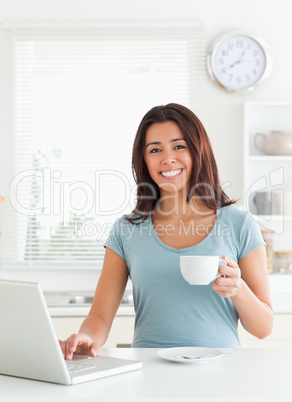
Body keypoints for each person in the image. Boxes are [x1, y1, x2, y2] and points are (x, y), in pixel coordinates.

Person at [59, 103, 273, 360]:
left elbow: (263, 328)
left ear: (198, 150)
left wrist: (239, 290)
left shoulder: (240, 225)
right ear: (144, 159)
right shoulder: (126, 230)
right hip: (149, 371)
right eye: (155, 149)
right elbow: (101, 316)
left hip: (220, 373)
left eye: (179, 146)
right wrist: (87, 338)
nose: (167, 158)